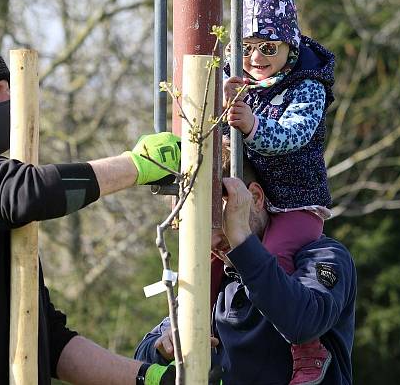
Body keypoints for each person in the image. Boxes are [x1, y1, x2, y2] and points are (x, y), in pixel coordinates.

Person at [0, 36, 181, 385]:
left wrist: (150, 379)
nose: (11, 101)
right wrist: (136, 165)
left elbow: (48, 342)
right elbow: (25, 191)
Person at [135, 149, 356, 384]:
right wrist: (162, 348)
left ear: (256, 198)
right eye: (198, 229)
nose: (211, 242)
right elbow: (143, 353)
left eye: (218, 221)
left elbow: (303, 323)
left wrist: (241, 239)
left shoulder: (322, 255)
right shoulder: (214, 278)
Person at [222, 0, 336, 383]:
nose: (257, 58)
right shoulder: (237, 81)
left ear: (291, 46)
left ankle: (309, 351)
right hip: (256, 200)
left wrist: (251, 124)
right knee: (220, 258)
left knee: (274, 260)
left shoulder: (307, 86)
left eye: (268, 48)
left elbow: (292, 136)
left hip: (296, 203)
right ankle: (195, 328)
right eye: (247, 47)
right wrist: (222, 104)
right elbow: (216, 128)